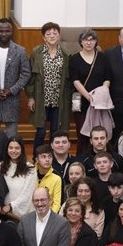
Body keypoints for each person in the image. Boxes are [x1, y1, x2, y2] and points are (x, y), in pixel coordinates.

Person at [26, 22, 72, 153]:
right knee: (40, 131)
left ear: (59, 35)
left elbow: (69, 81)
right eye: (48, 34)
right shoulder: (36, 52)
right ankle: (36, 157)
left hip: (59, 100)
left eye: (55, 33)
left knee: (56, 131)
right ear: (44, 37)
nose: (52, 36)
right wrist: (30, 97)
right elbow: (31, 77)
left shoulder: (66, 54)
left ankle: (54, 157)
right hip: (41, 99)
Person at [69, 29, 111, 155]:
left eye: (91, 39)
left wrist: (102, 94)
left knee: (100, 134)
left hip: (100, 103)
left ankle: (100, 158)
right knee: (83, 134)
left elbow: (107, 78)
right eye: (85, 40)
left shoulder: (103, 57)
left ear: (96, 41)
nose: (89, 42)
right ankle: (82, 160)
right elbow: (75, 81)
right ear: (81, 42)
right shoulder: (74, 59)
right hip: (83, 102)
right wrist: (89, 97)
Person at [0, 136, 37, 219]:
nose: (13, 151)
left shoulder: (30, 168)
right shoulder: (1, 166)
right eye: (11, 148)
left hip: (23, 214)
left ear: (22, 150)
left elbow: (27, 193)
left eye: (17, 148)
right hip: (4, 212)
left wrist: (11, 206)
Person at [34, 144, 62, 213]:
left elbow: (56, 203)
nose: (47, 160)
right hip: (31, 214)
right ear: (37, 159)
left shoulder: (57, 178)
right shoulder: (30, 174)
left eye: (50, 156)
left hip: (48, 215)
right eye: (43, 157)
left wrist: (49, 218)